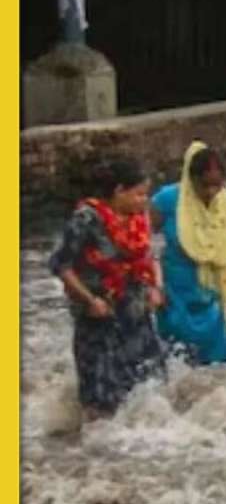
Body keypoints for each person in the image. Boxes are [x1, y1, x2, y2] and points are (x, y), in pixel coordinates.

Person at [49, 158, 167, 421]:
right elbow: (60, 264)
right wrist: (90, 299)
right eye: (138, 194)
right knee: (101, 400)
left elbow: (149, 256)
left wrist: (156, 287)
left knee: (151, 387)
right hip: (99, 320)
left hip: (135, 315)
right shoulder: (86, 219)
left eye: (145, 194)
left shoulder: (139, 218)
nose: (144, 200)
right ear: (118, 191)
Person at [150, 140, 226, 365]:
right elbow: (141, 240)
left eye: (217, 185)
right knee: (176, 360)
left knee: (218, 365)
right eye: (204, 185)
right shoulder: (168, 200)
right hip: (177, 296)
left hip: (222, 293)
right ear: (191, 179)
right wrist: (154, 283)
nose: (211, 192)